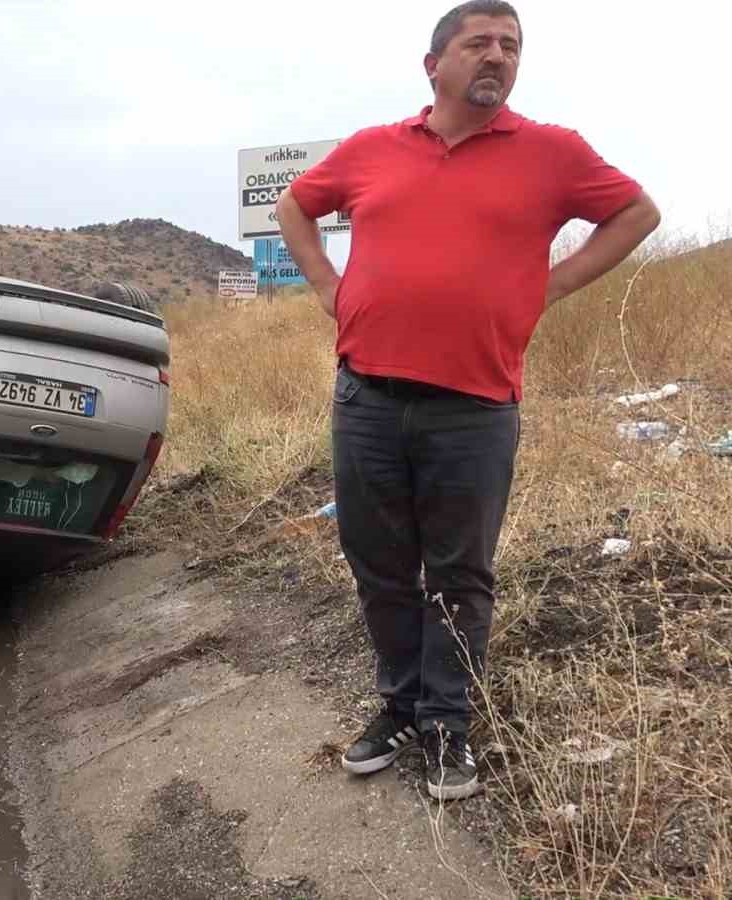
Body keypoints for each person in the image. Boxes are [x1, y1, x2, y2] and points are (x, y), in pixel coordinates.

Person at [276, 0, 660, 801]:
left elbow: (636, 213)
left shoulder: (551, 152)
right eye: (479, 43)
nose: (497, 56)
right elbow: (296, 207)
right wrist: (325, 285)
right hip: (367, 401)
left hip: (475, 407)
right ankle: (402, 706)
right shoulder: (372, 149)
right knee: (378, 564)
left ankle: (450, 725)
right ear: (434, 64)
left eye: (510, 46)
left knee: (459, 574)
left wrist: (547, 289)